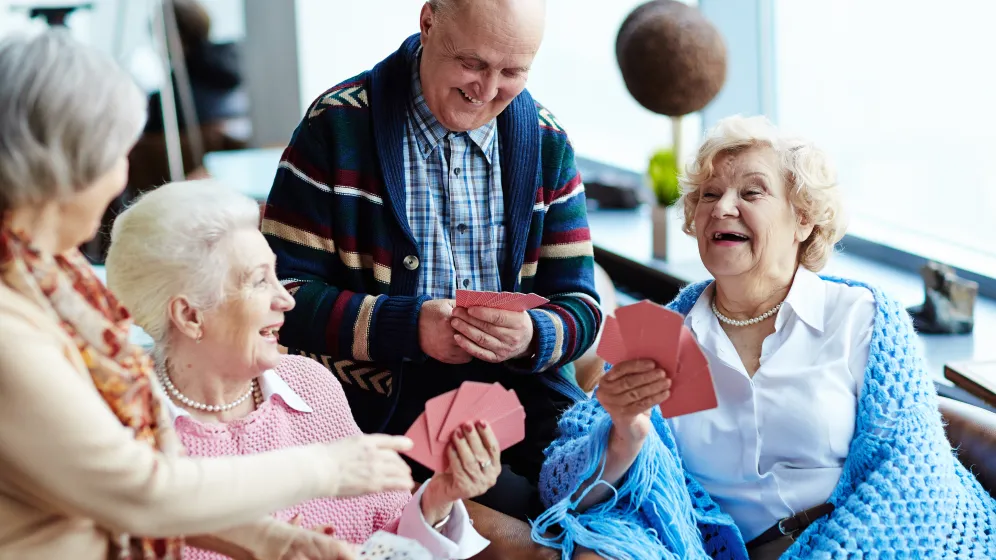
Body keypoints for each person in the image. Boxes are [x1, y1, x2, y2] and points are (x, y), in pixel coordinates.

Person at [0, 30, 415, 560]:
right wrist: (330, 467)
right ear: (66, 167)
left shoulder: (49, 280)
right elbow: (141, 493)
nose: (121, 177)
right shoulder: (12, 323)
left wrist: (277, 544)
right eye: (118, 153)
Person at [532, 115, 996, 559]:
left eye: (752, 192)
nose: (722, 207)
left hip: (859, 540)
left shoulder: (866, 319)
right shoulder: (659, 334)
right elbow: (564, 488)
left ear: (804, 219)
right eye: (709, 194)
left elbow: (910, 478)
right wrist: (623, 437)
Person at [262, 0, 601, 519]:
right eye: (472, 63)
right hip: (375, 422)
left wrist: (534, 334)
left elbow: (581, 304)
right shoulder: (336, 127)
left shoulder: (547, 141)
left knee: (611, 507)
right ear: (428, 23)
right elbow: (279, 295)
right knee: (528, 531)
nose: (487, 91)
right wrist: (408, 326)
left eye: (512, 72)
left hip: (527, 411)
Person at [106, 180, 500, 560]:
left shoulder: (310, 385)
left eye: (277, 275)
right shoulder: (128, 437)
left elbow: (386, 537)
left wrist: (439, 498)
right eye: (260, 282)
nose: (286, 300)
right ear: (190, 315)